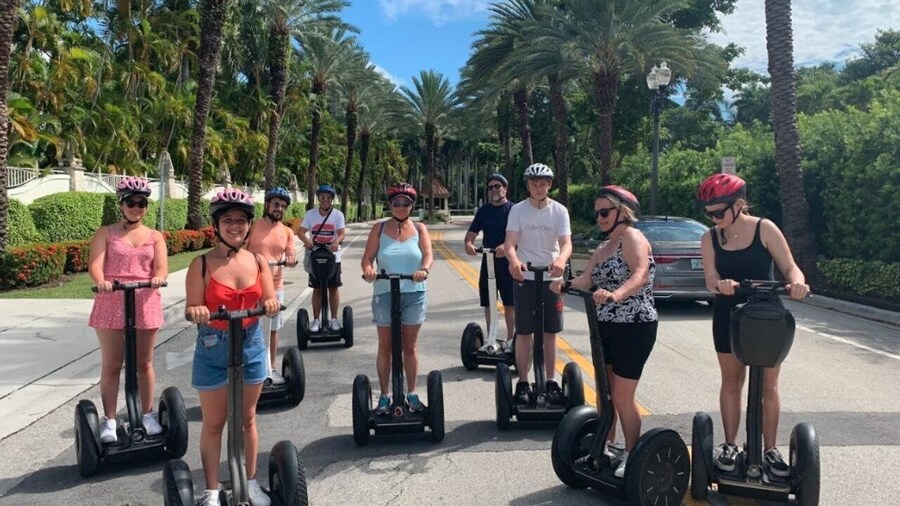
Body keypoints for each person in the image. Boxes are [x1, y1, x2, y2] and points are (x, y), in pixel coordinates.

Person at [696, 173, 810, 478]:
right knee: (731, 381)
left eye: (719, 212)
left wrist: (797, 283)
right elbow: (709, 277)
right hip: (728, 315)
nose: (715, 218)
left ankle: (770, 448)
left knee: (769, 386)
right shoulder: (709, 238)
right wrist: (720, 285)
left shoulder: (765, 229)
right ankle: (730, 445)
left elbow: (789, 267)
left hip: (767, 315)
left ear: (738, 205)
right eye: (709, 213)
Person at [550, 185, 656, 478]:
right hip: (605, 325)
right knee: (605, 394)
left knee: (622, 395)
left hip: (635, 325)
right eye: (596, 213)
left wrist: (617, 294)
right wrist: (565, 284)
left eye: (605, 211)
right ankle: (606, 447)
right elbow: (586, 278)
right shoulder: (603, 247)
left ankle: (633, 454)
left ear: (622, 211)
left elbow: (640, 273)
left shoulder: (631, 237)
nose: (599, 217)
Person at [184, 189, 280, 506]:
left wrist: (270, 303)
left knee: (247, 419)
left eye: (241, 220)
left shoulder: (258, 261)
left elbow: (269, 298)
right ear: (217, 224)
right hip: (214, 344)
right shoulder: (201, 265)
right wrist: (196, 310)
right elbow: (192, 306)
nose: (235, 226)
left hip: (251, 342)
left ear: (249, 225)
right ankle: (212, 489)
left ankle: (250, 482)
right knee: (214, 423)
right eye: (228, 220)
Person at [88, 176, 167, 444]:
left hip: (145, 299)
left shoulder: (155, 236)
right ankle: (110, 420)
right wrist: (101, 282)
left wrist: (157, 278)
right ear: (121, 204)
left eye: (142, 203)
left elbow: (161, 267)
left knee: (144, 363)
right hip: (112, 300)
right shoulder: (106, 233)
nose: (137, 207)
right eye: (131, 202)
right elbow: (96, 265)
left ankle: (147, 414)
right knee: (112, 364)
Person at [361, 182, 433, 415]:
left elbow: (428, 255)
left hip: (414, 293)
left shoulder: (420, 229)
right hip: (384, 292)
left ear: (412, 205)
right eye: (396, 203)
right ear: (390, 205)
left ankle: (411, 393)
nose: (401, 207)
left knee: (409, 347)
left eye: (406, 203)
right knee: (386, 346)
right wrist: (369, 270)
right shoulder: (379, 229)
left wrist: (424, 269)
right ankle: (384, 396)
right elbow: (367, 259)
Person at [503, 163, 572, 406]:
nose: (539, 187)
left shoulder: (559, 211)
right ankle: (523, 380)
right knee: (524, 331)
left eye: (543, 183)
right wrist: (513, 261)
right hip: (526, 276)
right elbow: (510, 242)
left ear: (550, 185)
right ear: (528, 185)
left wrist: (561, 260)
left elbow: (566, 243)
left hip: (551, 278)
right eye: (534, 183)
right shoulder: (518, 210)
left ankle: (551, 380)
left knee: (550, 333)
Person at [247, 186, 298, 385]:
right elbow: (240, 250)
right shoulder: (252, 226)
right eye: (276, 204)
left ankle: (271, 367)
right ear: (267, 205)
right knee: (249, 328)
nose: (279, 208)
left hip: (276, 286)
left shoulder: (286, 231)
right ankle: (251, 368)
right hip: (251, 285)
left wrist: (291, 259)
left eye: (283, 206)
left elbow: (291, 252)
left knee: (273, 330)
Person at [463, 173, 516, 345]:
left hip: (509, 262)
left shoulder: (514, 210)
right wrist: (469, 244)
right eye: (490, 187)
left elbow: (521, 236)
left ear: (505, 188)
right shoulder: (484, 211)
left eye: (497, 186)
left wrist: (507, 246)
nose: (493, 190)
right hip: (488, 260)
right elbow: (471, 234)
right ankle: (491, 338)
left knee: (510, 302)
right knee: (489, 301)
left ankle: (510, 339)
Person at [298, 184, 346, 333]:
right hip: (316, 257)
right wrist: (308, 242)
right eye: (322, 197)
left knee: (333, 288)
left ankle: (334, 319)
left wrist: (336, 242)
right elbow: (300, 232)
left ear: (332, 199)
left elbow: (342, 233)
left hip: (333, 258)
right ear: (318, 199)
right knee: (317, 289)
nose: (325, 200)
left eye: (328, 198)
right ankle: (316, 320)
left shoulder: (338, 215)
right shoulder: (310, 214)